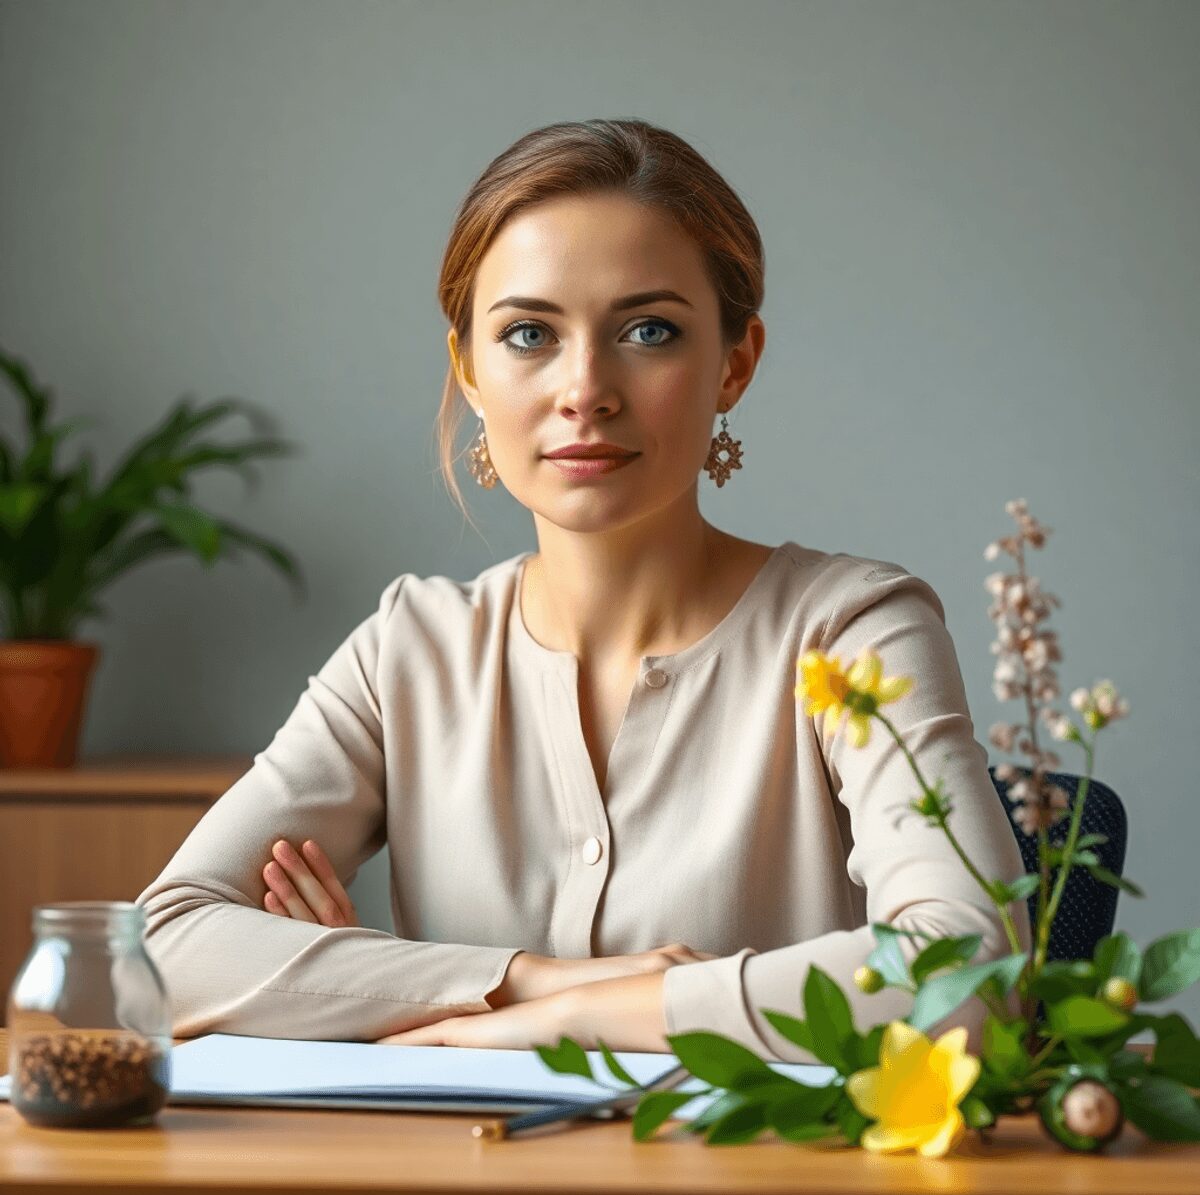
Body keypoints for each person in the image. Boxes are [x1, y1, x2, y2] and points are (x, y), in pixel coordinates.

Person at [135, 117, 1031, 1060]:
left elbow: (970, 976)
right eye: (529, 333)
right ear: (470, 372)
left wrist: (557, 1021)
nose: (585, 390)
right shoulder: (410, 650)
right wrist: (516, 981)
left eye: (649, 331)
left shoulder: (854, 632)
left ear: (735, 362)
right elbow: (157, 952)